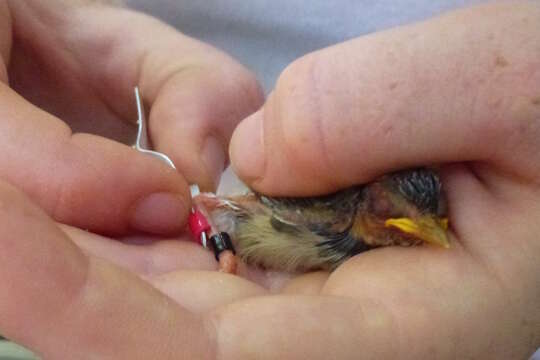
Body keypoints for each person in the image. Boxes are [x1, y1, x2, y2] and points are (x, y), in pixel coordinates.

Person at [0, 0, 538, 358]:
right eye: (406, 222)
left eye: (428, 226)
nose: (425, 234)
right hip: (167, 124)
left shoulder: (378, 218)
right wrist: (53, 20)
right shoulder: (322, 212)